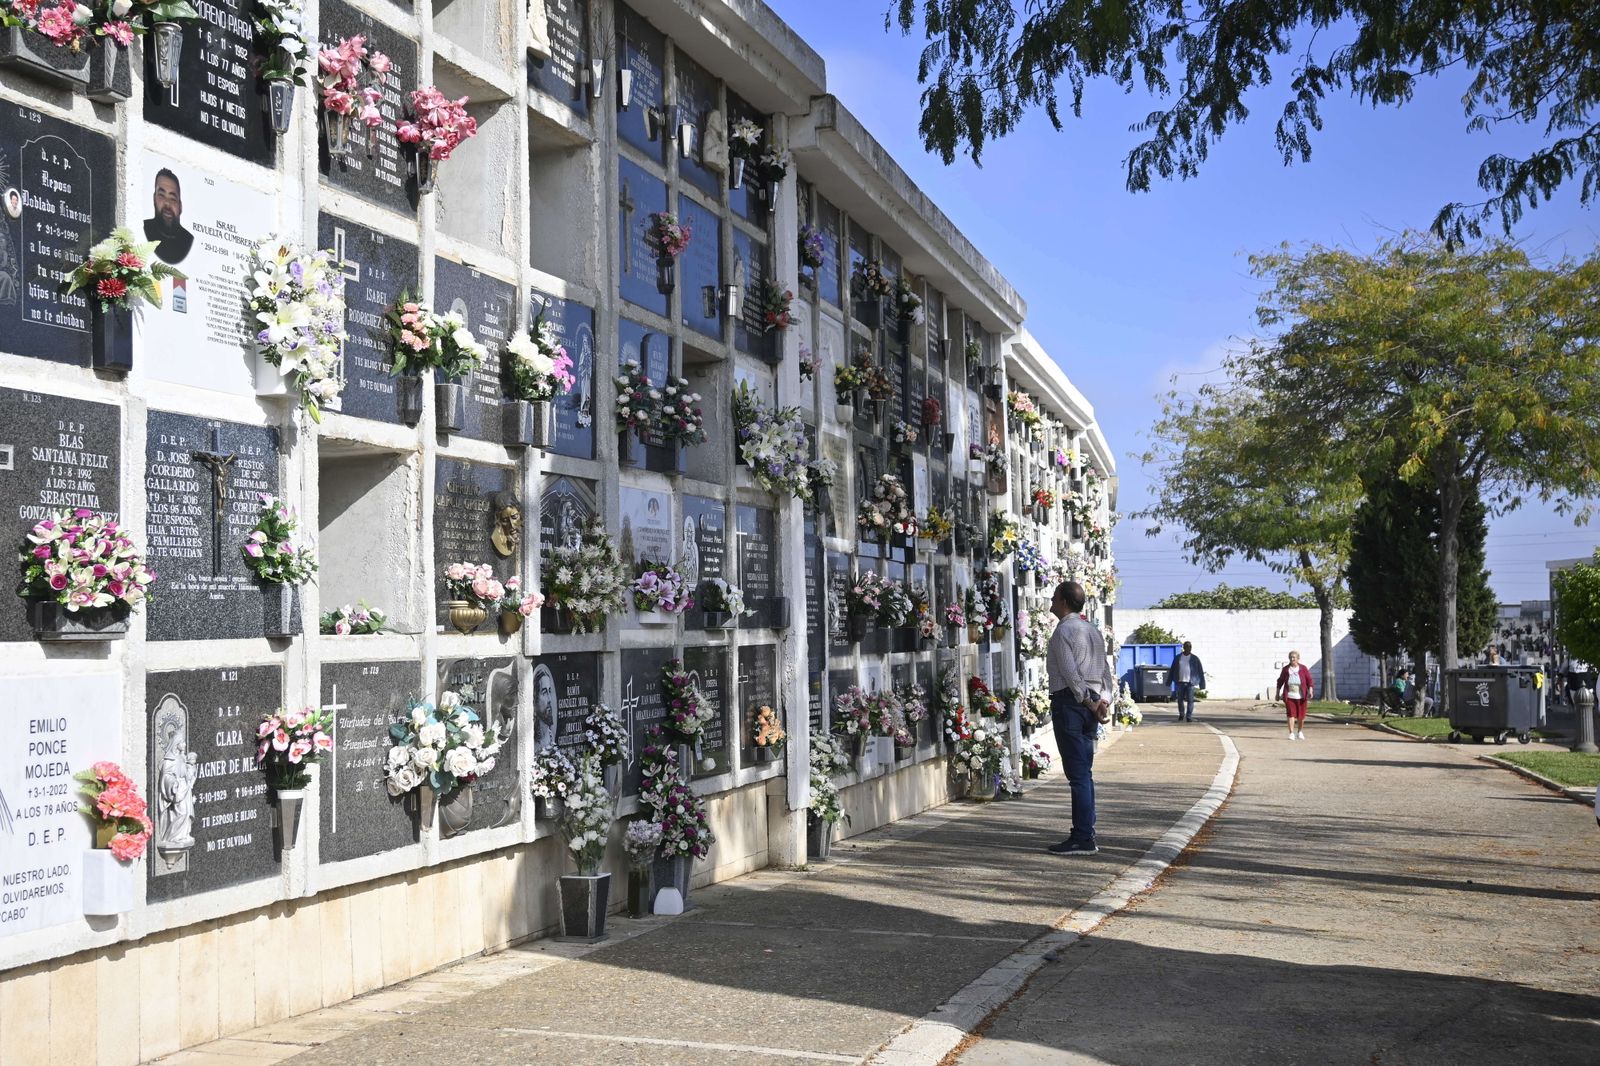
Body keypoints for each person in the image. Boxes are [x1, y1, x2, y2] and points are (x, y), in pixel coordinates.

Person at [1045, 580, 1113, 856]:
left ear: (1063, 602)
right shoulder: (1093, 630)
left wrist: (1087, 700)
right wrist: (1103, 701)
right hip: (1091, 707)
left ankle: (1083, 837)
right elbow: (1106, 672)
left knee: (1078, 775)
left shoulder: (1063, 632)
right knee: (1085, 773)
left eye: (1053, 597)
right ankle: (1086, 832)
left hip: (1071, 704)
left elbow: (1071, 674)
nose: (1050, 601)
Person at [143, 168, 194, 265]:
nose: (167, 203)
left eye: (172, 198)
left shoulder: (188, 239)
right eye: (161, 195)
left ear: (180, 206)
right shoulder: (143, 228)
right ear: (154, 199)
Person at [1276, 651, 1314, 740]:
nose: (1292, 659)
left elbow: (1309, 681)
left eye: (1294, 657)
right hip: (1289, 696)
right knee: (1291, 714)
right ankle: (1291, 733)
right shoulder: (1286, 669)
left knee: (1301, 715)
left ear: (1298, 658)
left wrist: (1310, 690)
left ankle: (1300, 731)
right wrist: (1277, 693)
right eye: (1291, 657)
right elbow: (1280, 681)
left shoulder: (1303, 668)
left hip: (1301, 696)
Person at [1170, 641, 1206, 722]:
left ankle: (1189, 716)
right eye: (1186, 646)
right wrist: (1169, 681)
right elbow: (1172, 669)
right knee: (1180, 700)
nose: (1188, 648)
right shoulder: (1178, 657)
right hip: (1180, 682)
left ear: (1191, 648)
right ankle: (1181, 714)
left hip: (1191, 683)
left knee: (1190, 700)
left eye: (1189, 647)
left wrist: (1202, 684)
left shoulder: (1195, 658)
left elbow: (1200, 671)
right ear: (1183, 647)